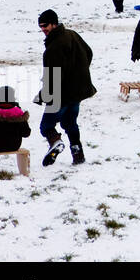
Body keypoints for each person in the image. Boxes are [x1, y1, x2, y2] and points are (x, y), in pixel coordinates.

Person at [34, 10, 96, 166]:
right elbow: (88, 53)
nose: (43, 29)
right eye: (40, 26)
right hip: (77, 91)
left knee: (46, 126)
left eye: (45, 25)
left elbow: (52, 76)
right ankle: (78, 153)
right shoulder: (72, 34)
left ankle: (56, 142)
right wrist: (79, 72)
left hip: (61, 94)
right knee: (70, 123)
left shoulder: (54, 47)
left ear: (54, 23)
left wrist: (45, 95)